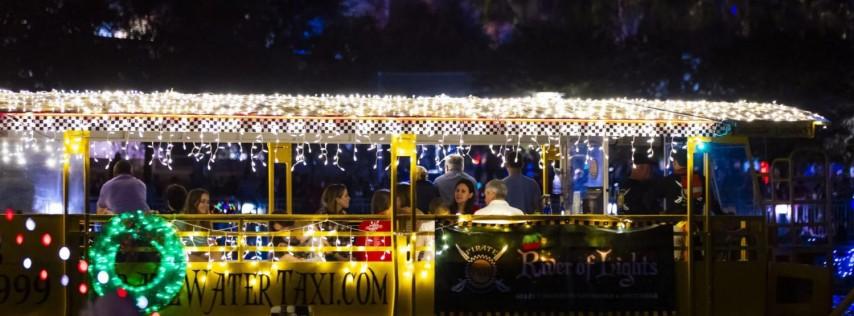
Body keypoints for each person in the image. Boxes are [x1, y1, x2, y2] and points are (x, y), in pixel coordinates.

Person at [646, 149, 704, 214]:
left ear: (675, 163)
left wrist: (658, 213)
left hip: (674, 221)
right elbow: (711, 201)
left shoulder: (668, 181)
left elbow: (648, 198)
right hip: (697, 221)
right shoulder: (701, 179)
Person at [355, 189, 392, 261]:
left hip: (364, 266)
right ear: (389, 205)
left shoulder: (364, 223)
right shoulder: (392, 224)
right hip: (388, 266)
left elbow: (357, 250)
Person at [178, 188, 214, 261]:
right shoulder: (182, 220)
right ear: (193, 202)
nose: (206, 205)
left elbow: (209, 243)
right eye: (202, 201)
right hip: (187, 255)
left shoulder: (206, 221)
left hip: (203, 253)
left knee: (216, 253)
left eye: (207, 202)